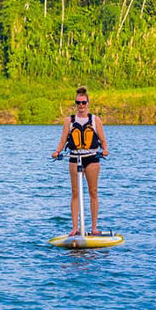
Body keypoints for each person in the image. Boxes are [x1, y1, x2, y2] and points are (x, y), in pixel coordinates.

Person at [51, 86, 110, 235]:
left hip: (91, 158)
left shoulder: (95, 120)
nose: (81, 106)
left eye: (83, 102)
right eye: (78, 103)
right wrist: (57, 151)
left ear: (88, 103)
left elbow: (103, 140)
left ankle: (94, 228)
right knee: (75, 192)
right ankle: (75, 228)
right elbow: (63, 140)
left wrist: (105, 149)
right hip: (74, 158)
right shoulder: (69, 121)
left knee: (93, 192)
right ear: (75, 104)